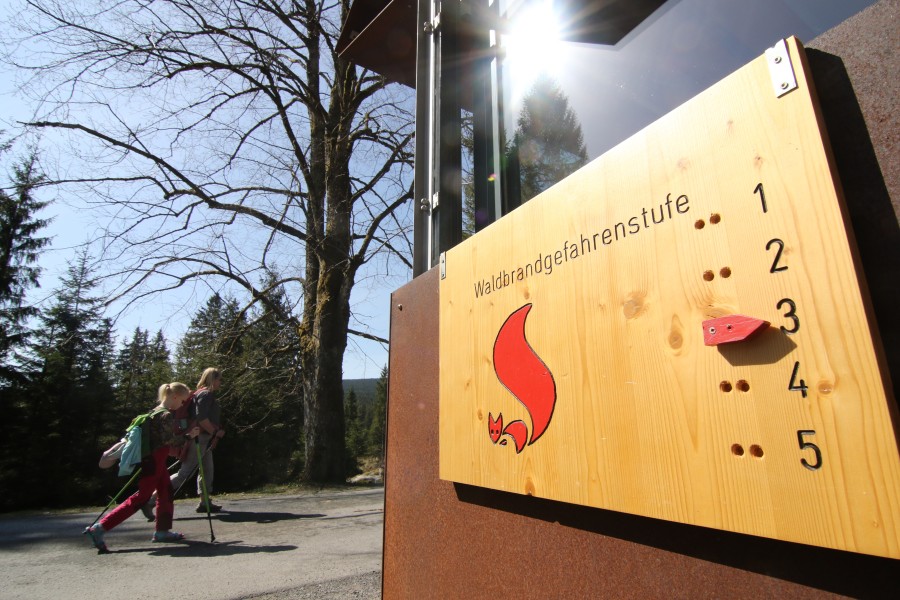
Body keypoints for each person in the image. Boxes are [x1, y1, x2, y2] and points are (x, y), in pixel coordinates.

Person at [84, 382, 199, 552]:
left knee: (166, 493)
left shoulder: (153, 412)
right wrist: (190, 435)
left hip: (153, 460)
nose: (182, 405)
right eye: (182, 401)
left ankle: (162, 531)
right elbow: (171, 441)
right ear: (174, 397)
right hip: (154, 462)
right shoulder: (166, 415)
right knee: (141, 497)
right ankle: (100, 528)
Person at [169, 367, 226, 512]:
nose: (221, 382)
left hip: (203, 438)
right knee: (185, 473)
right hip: (199, 438)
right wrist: (215, 432)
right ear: (212, 379)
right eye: (219, 379)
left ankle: (205, 502)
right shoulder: (206, 394)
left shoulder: (200, 394)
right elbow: (201, 418)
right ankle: (152, 498)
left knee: (207, 470)